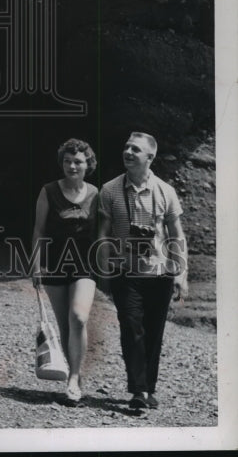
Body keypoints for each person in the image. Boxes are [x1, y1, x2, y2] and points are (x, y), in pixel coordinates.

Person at [99, 131, 188, 413]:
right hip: (125, 273)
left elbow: (176, 234)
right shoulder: (110, 190)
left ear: (150, 157)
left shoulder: (166, 191)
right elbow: (102, 233)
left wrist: (182, 275)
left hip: (160, 274)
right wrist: (104, 268)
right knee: (131, 327)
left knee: (153, 333)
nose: (127, 152)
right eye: (126, 147)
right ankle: (138, 390)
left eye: (135, 149)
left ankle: (148, 388)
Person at [31, 138, 99, 405]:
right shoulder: (48, 191)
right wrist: (35, 265)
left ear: (88, 165)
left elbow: (105, 231)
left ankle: (74, 376)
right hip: (55, 264)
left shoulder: (96, 194)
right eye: (68, 161)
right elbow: (38, 230)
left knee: (79, 317)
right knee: (64, 326)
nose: (72, 166)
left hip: (86, 265)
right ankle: (73, 374)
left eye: (78, 161)